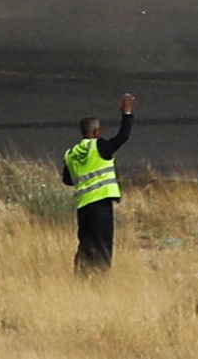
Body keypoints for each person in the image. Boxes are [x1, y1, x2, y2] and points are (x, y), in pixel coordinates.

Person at [55, 93, 136, 272]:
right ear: (95, 132)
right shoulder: (99, 147)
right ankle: (100, 281)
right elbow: (122, 137)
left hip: (83, 207)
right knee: (103, 247)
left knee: (86, 245)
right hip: (101, 205)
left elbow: (68, 180)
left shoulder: (71, 153)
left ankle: (81, 278)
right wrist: (127, 114)